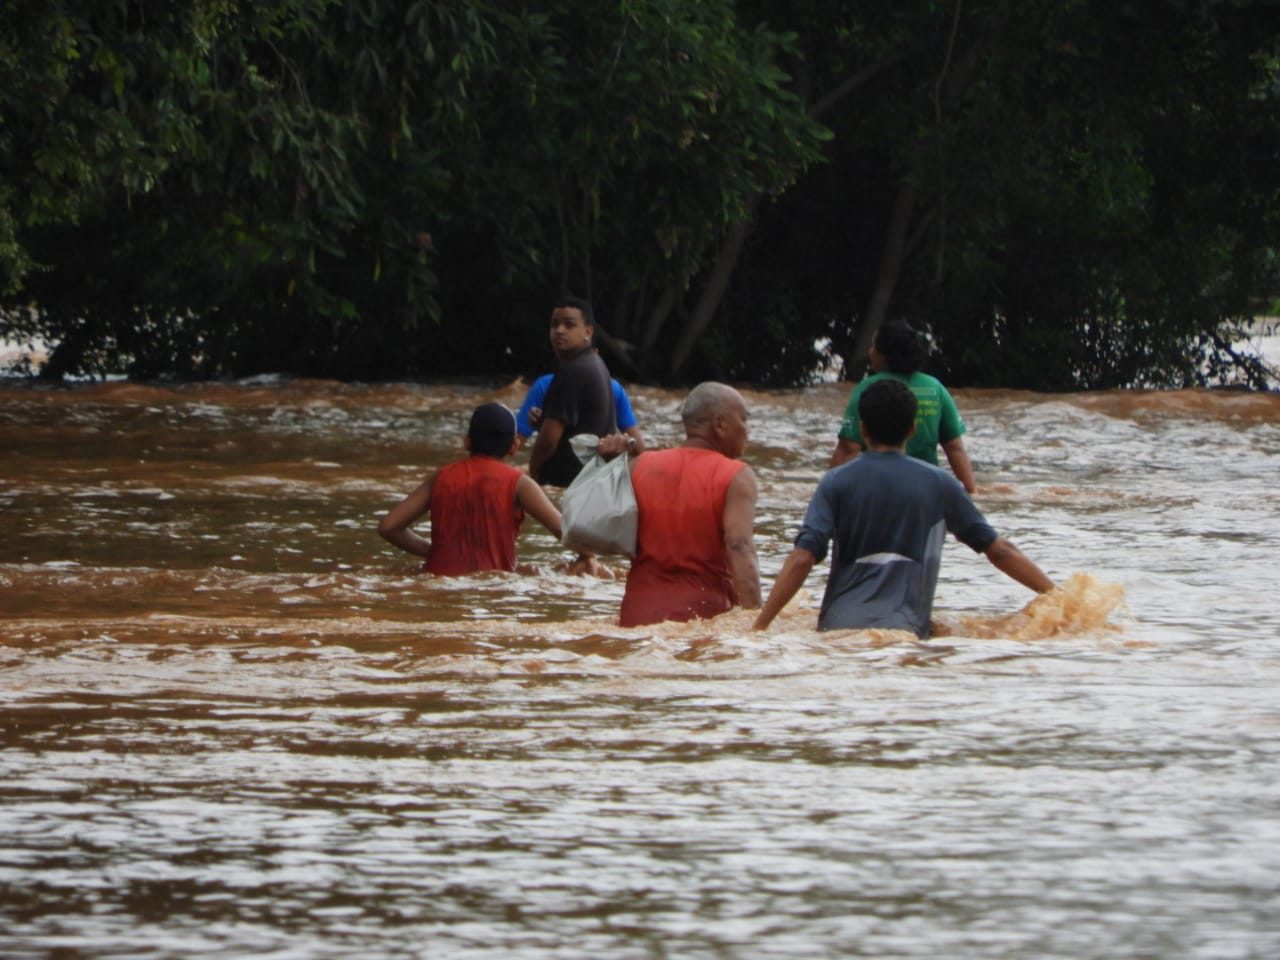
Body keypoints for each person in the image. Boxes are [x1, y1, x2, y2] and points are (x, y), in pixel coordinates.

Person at [754, 379, 1054, 636]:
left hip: (836, 628)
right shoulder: (940, 484)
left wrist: (759, 627)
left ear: (863, 428)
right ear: (912, 429)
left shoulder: (835, 481)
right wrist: (1062, 600)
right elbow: (1000, 551)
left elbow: (803, 557)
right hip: (905, 631)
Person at [616, 382, 762, 627]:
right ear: (720, 424)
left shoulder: (638, 466)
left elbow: (612, 534)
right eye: (744, 420)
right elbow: (739, 546)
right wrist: (758, 625)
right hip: (703, 619)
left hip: (635, 617)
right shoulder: (736, 476)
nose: (747, 431)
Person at [378, 402, 564, 575]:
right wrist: (580, 561)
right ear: (514, 446)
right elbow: (566, 531)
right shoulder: (520, 484)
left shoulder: (441, 477)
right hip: (493, 586)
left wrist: (433, 552)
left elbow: (389, 527)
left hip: (438, 579)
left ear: (467, 441)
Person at [830, 320, 976, 493]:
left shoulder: (867, 388)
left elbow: (848, 448)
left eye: (873, 346)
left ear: (885, 354)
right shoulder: (935, 388)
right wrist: (971, 491)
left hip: (878, 487)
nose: (870, 351)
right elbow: (954, 448)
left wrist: (829, 491)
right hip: (925, 488)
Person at [527, 296, 619, 487]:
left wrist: (533, 471)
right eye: (555, 324)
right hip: (593, 480)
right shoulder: (595, 363)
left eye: (569, 325)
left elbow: (549, 440)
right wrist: (544, 421)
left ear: (588, 332)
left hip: (568, 484)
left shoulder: (572, 371)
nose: (559, 330)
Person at [516, 372, 644, 453]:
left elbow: (514, 446)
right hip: (594, 468)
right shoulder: (613, 389)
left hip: (559, 469)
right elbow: (638, 448)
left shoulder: (545, 385)